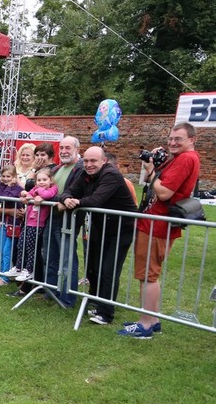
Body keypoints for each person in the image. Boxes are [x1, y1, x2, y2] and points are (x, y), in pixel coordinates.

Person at [119, 122, 201, 338]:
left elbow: (164, 192)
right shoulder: (181, 158)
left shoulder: (186, 159)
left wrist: (151, 170)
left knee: (148, 274)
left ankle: (145, 324)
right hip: (156, 222)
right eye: (171, 139)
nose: (172, 142)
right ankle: (151, 320)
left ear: (191, 140)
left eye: (178, 139)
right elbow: (156, 182)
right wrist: (156, 165)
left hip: (158, 223)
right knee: (148, 273)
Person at [59, 146, 137, 325]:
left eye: (93, 161)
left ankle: (106, 313)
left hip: (120, 230)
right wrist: (66, 199)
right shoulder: (84, 174)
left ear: (104, 161)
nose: (89, 164)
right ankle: (95, 302)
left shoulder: (111, 175)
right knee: (92, 268)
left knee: (109, 270)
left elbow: (96, 200)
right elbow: (68, 191)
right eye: (86, 161)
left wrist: (75, 202)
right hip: (98, 227)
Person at [40, 137, 83, 305]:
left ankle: (67, 297)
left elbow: (74, 193)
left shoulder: (80, 168)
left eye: (68, 148)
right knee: (50, 256)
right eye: (62, 148)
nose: (64, 151)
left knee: (67, 259)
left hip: (68, 220)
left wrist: (53, 198)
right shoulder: (58, 168)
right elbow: (48, 190)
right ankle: (51, 292)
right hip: (52, 217)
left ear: (77, 149)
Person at [7, 167, 58, 286]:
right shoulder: (36, 188)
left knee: (31, 247)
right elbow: (26, 194)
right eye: (39, 180)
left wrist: (37, 193)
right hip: (28, 222)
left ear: (51, 180)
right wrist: (24, 194)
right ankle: (18, 267)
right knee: (21, 245)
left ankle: (29, 269)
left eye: (44, 179)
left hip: (38, 225)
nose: (41, 182)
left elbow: (48, 194)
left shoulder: (52, 188)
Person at [0, 165, 25, 287]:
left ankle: (4, 277)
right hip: (3, 222)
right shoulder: (1, 186)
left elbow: (7, 197)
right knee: (0, 250)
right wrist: (6, 187)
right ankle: (2, 273)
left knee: (7, 251)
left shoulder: (17, 188)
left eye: (8, 176)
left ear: (14, 177)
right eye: (3, 176)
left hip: (14, 224)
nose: (5, 179)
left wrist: (9, 187)